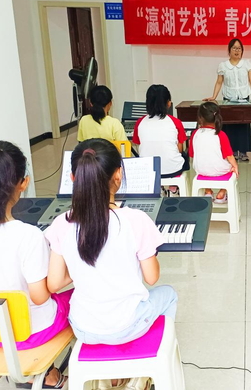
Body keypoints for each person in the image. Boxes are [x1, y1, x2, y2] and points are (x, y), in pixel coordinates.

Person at [46, 138, 177, 345]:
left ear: (73, 178)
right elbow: (152, 278)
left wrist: (84, 266)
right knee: (169, 294)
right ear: (118, 174)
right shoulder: (136, 220)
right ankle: (158, 349)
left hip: (82, 328)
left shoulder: (62, 223)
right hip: (127, 326)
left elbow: (53, 284)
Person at [0, 141, 69, 388]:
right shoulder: (28, 236)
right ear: (24, 183)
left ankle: (49, 375)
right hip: (30, 333)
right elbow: (40, 297)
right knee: (74, 299)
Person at [204, 38, 251, 162]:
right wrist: (213, 97)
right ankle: (231, 152)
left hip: (244, 98)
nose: (237, 51)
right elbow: (219, 82)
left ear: (242, 51)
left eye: (239, 48)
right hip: (228, 98)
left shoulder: (247, 64)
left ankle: (243, 152)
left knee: (244, 125)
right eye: (234, 48)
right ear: (229, 50)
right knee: (230, 125)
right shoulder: (223, 66)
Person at [132, 84, 189, 196]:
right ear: (169, 103)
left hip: (148, 171)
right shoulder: (175, 122)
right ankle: (173, 188)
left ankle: (159, 187)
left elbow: (138, 145)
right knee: (183, 156)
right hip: (173, 170)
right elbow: (179, 149)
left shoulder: (140, 122)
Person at [189, 101, 239, 203]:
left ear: (200, 118)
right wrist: (236, 167)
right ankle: (222, 193)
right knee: (233, 169)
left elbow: (192, 154)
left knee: (203, 165)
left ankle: (208, 191)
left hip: (201, 170)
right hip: (220, 171)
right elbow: (230, 156)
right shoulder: (220, 134)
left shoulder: (195, 134)